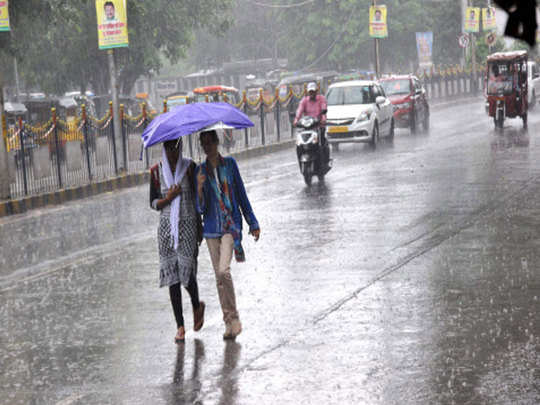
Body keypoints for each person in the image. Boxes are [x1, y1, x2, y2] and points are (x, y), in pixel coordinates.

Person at [196, 130, 261, 340]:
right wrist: (199, 187)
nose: (208, 147)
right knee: (218, 278)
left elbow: (241, 195)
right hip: (211, 228)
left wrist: (252, 222)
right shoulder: (201, 171)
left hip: (230, 226)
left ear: (217, 143)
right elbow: (201, 208)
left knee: (224, 271)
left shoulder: (230, 165)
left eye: (210, 142)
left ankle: (235, 318)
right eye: (203, 144)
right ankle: (228, 322)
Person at [149, 138, 205, 343]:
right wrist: (168, 198)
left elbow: (200, 200)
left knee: (186, 272)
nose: (172, 153)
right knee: (172, 276)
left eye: (175, 148)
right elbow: (153, 203)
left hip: (188, 225)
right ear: (163, 149)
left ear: (180, 148)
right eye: (168, 148)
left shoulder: (190, 167)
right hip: (166, 230)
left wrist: (199, 187)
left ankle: (197, 304)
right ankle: (180, 325)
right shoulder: (156, 172)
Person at [293, 82, 330, 172]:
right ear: (308, 92)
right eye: (310, 92)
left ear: (316, 91)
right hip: (307, 127)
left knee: (322, 143)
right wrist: (296, 119)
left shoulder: (321, 99)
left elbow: (323, 109)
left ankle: (325, 161)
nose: (312, 93)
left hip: (318, 126)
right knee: (299, 144)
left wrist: (323, 119)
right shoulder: (304, 101)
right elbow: (299, 110)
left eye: (313, 92)